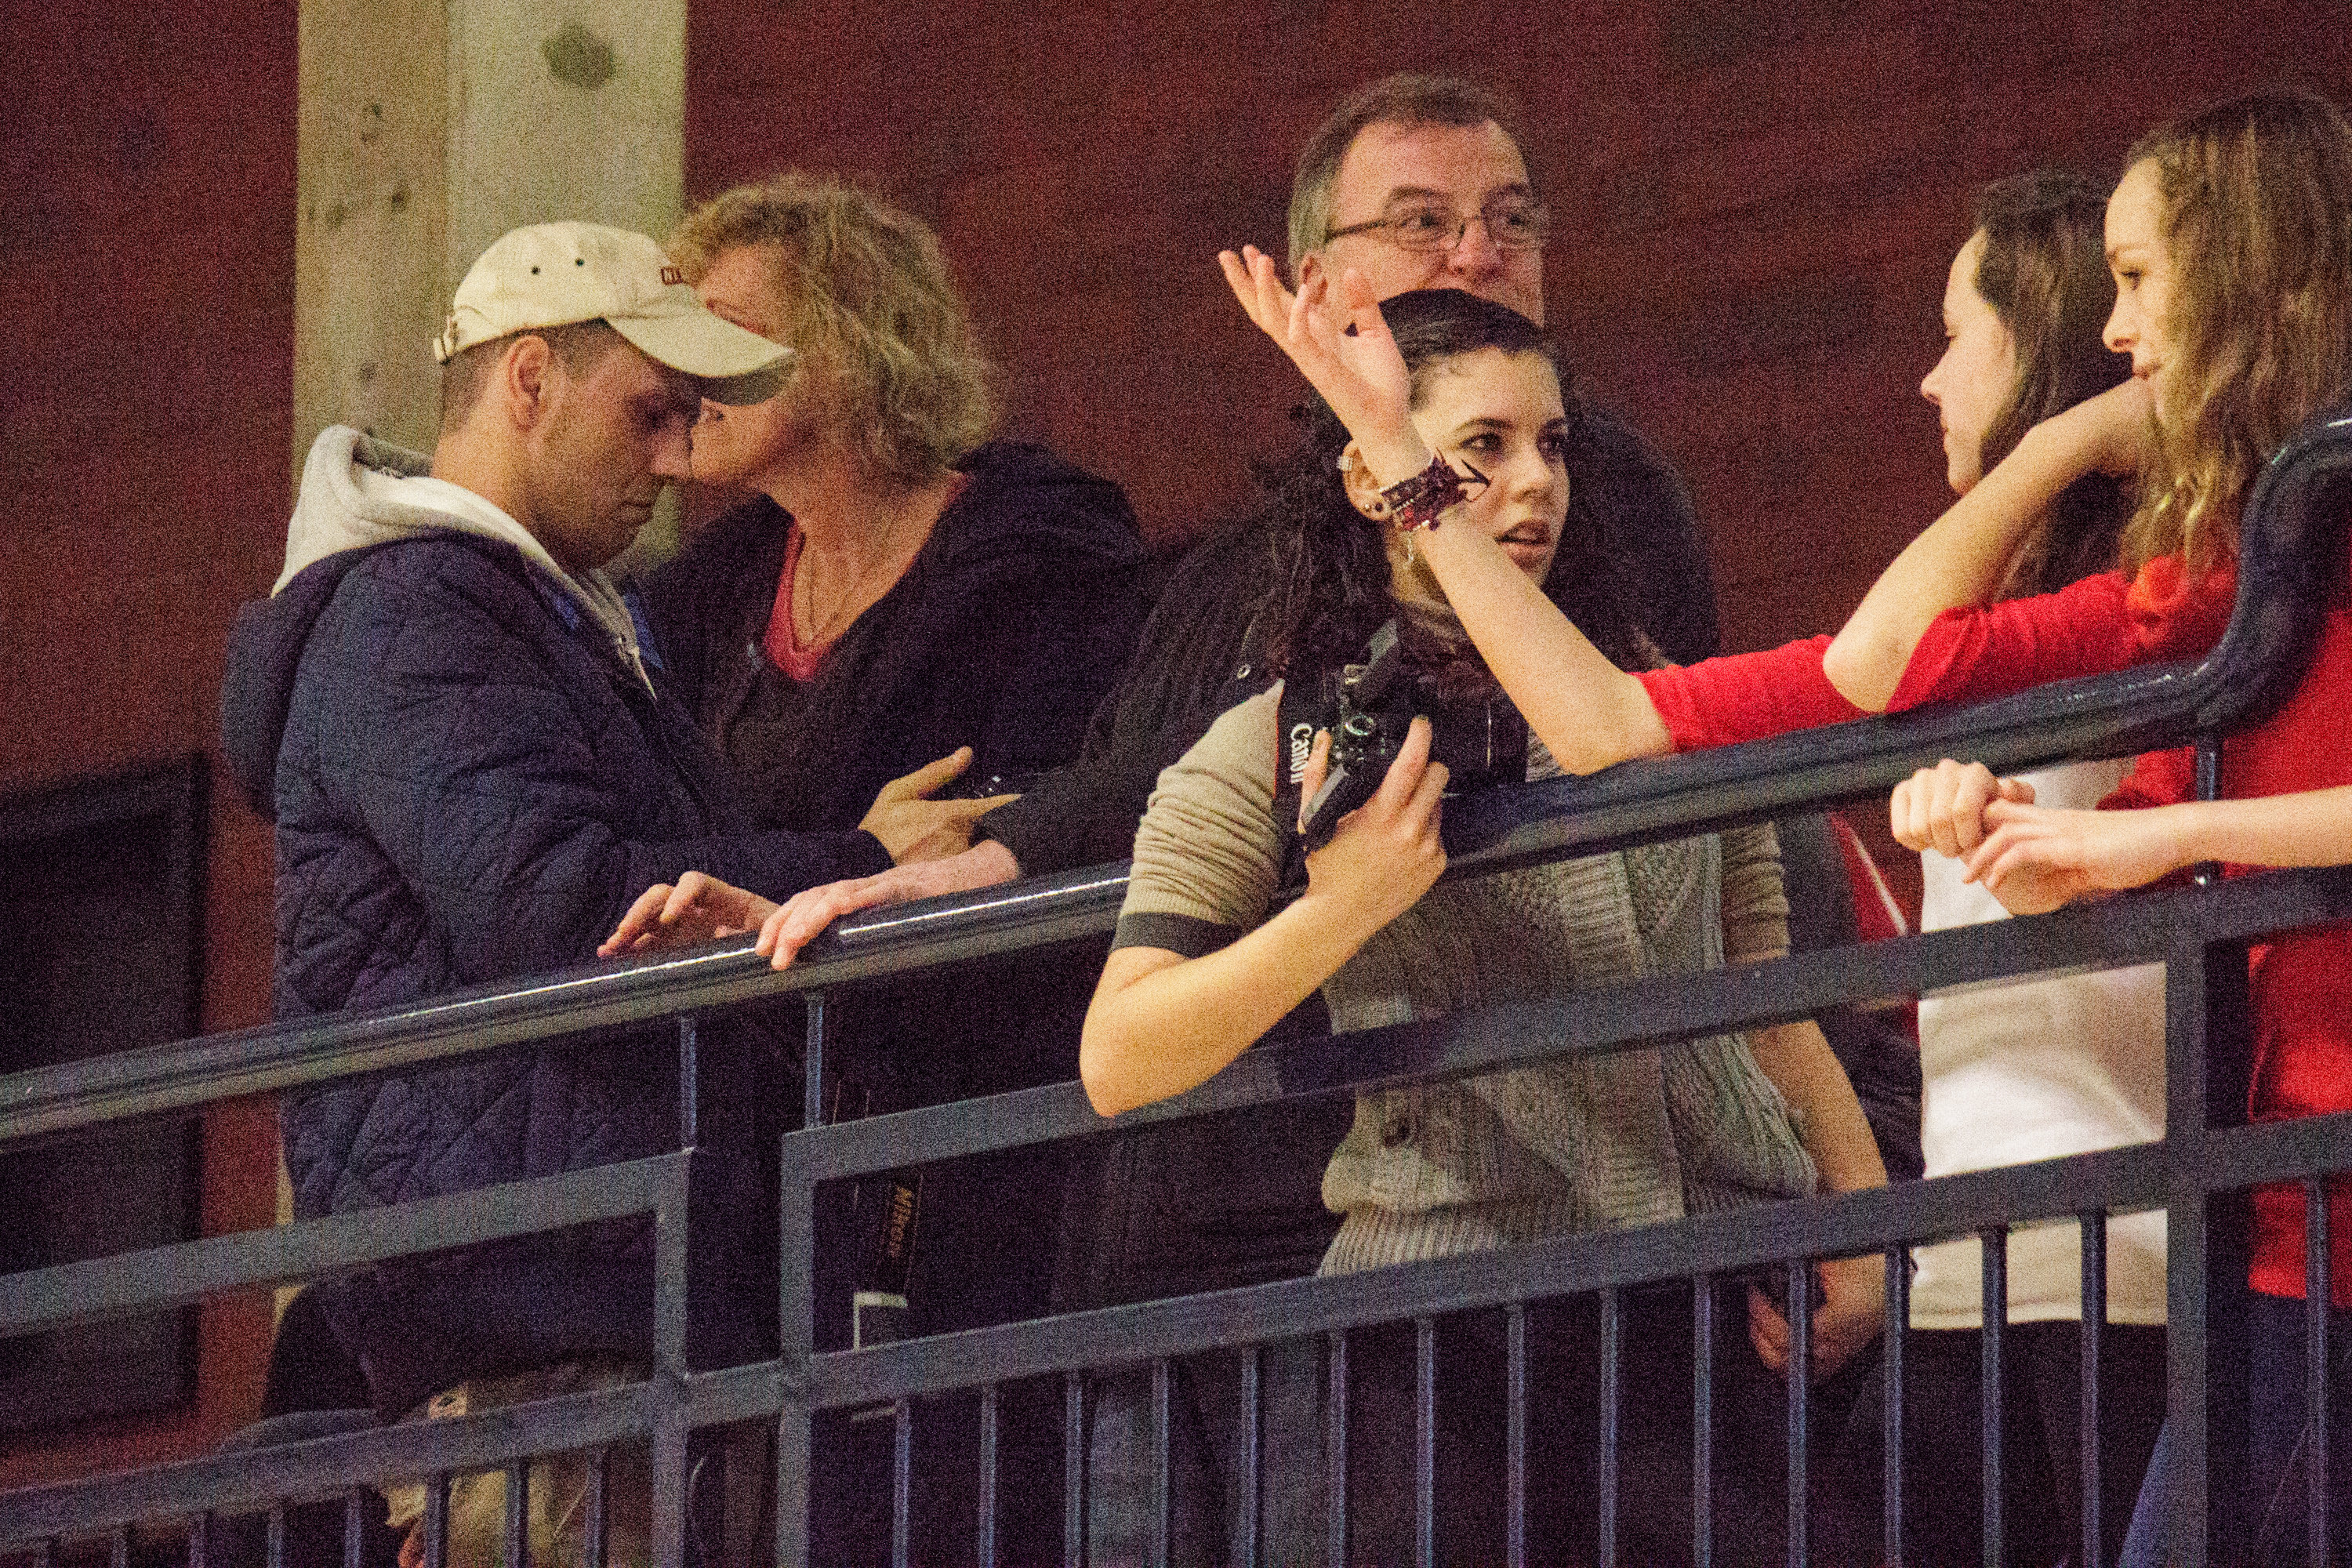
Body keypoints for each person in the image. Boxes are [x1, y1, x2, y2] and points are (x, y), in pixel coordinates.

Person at [218, 220, 1000, 1567]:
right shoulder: (414, 613)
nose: (675, 460)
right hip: (543, 1323)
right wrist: (868, 866)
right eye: (649, 412)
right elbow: (562, 904)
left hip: (598, 1304)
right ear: (529, 379)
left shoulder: (530, 614)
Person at [1077, 286, 1886, 1565]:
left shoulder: (1643, 695)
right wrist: (1341, 912)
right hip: (1441, 1331)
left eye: (1552, 443)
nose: (1535, 481)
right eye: (1485, 447)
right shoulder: (1286, 732)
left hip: (1713, 1297)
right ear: (1375, 474)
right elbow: (1120, 1057)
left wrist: (1860, 1220)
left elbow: (1765, 996)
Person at [1883, 87, 2352, 1565]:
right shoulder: (2264, 539)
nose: (2117, 328)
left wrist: (2148, 843)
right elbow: (2154, 814)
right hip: (2286, 1211)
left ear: (2258, 275)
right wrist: (2030, 846)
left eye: (2143, 278)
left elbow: (2174, 830)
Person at [1831, 171, 2169, 1568]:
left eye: (1956, 335)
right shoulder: (2013, 607)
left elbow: (1875, 654)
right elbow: (1876, 659)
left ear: (2037, 348)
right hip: (1970, 1256)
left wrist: (2071, 435)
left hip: (2125, 1258)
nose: (1927, 380)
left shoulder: (2150, 591)